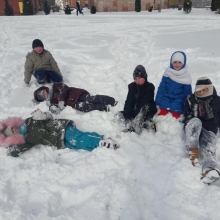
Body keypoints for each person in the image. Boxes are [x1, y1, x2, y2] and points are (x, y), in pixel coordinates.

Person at [0, 109, 119, 157]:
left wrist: (43, 115)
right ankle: (100, 140)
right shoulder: (26, 140)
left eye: (13, 128)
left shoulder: (29, 121)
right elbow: (13, 152)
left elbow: (48, 116)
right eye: (12, 133)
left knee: (78, 139)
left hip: (60, 128)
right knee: (77, 144)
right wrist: (6, 143)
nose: (15, 130)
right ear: (13, 137)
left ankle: (100, 142)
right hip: (57, 140)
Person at [184, 77, 220, 184]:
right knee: (195, 122)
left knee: (208, 147)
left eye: (204, 90)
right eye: (198, 90)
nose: (200, 92)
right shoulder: (191, 99)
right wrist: (189, 123)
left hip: (210, 127)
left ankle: (209, 170)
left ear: (209, 89)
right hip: (194, 124)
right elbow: (187, 114)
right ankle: (193, 153)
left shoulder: (217, 100)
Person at [33, 82, 117, 114]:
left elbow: (64, 87)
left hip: (77, 94)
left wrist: (61, 100)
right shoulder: (51, 101)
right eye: (43, 95)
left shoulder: (54, 86)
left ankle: (111, 101)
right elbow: (54, 108)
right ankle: (104, 107)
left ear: (44, 89)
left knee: (91, 99)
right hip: (73, 103)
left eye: (43, 92)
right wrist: (52, 108)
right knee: (84, 107)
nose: (45, 94)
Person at [120, 65, 157, 135]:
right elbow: (129, 101)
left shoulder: (150, 87)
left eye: (140, 78)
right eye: (136, 78)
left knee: (145, 107)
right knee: (121, 114)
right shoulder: (132, 87)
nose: (138, 80)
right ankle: (131, 121)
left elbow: (144, 102)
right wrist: (127, 116)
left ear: (145, 77)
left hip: (148, 110)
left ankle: (135, 126)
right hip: (136, 109)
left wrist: (135, 116)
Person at [155, 51, 192, 119]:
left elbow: (187, 95)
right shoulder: (167, 73)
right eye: (175, 62)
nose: (177, 65)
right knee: (160, 115)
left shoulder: (186, 76)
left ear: (183, 63)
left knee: (175, 116)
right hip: (166, 100)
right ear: (171, 63)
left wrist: (186, 108)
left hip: (178, 102)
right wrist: (157, 103)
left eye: (179, 62)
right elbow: (161, 90)